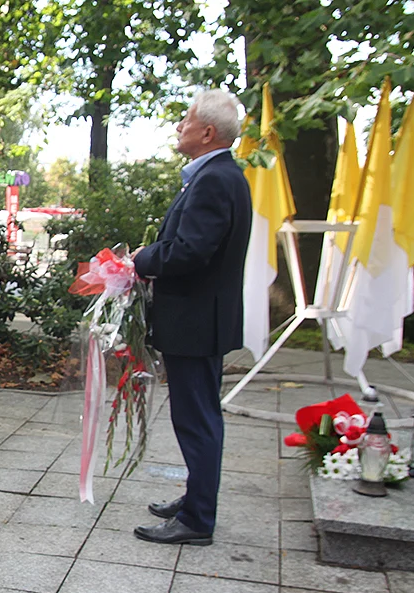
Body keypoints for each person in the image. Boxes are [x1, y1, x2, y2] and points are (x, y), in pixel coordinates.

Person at [131, 89, 252, 546]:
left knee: (197, 419)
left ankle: (198, 518)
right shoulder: (217, 175)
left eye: (185, 120)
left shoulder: (215, 179)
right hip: (201, 320)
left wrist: (144, 258)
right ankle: (195, 498)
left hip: (197, 322)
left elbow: (192, 251)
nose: (178, 127)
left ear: (206, 132)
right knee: (198, 416)